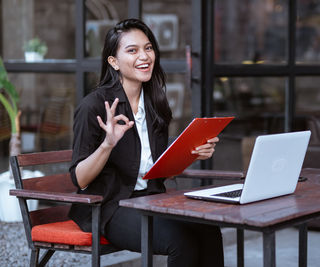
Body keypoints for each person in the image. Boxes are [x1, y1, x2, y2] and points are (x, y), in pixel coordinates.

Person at [68, 18, 224, 267]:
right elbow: (80, 179)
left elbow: (156, 167)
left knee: (208, 229)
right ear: (113, 61)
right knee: (179, 240)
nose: (144, 56)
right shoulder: (94, 106)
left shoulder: (154, 102)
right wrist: (107, 144)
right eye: (132, 50)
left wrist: (193, 152)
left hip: (152, 198)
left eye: (148, 48)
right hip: (110, 207)